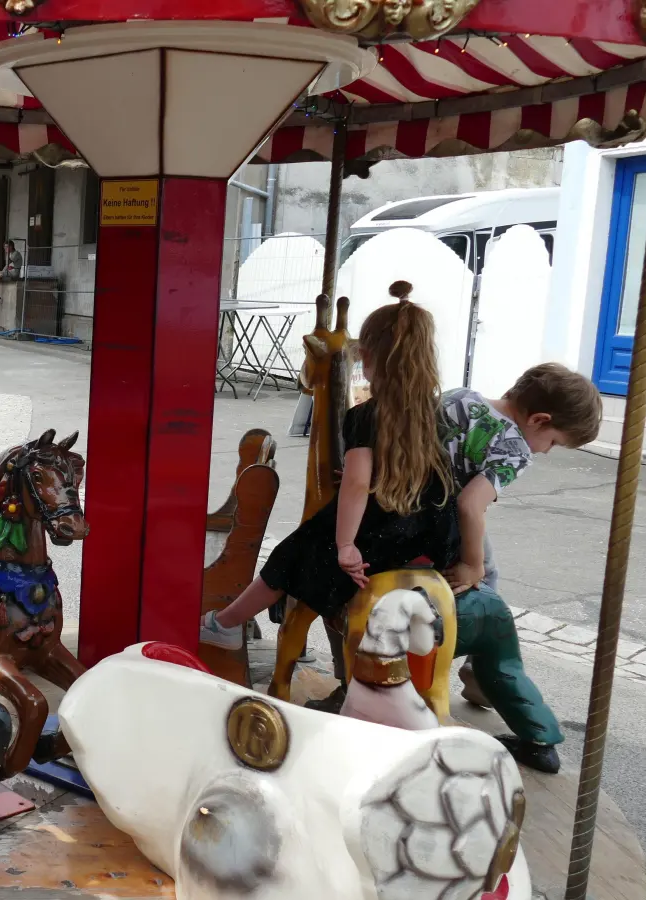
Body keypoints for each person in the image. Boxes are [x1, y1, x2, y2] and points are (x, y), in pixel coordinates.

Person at [201, 295, 458, 650]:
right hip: (430, 535)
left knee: (294, 550)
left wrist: (346, 545)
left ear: (368, 357)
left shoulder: (366, 416)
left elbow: (357, 483)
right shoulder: (437, 412)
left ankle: (224, 625)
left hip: (387, 537)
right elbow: (422, 473)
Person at [439, 361, 603, 773]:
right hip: (442, 522)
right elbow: (469, 505)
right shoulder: (514, 447)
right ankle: (480, 667)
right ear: (539, 420)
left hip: (409, 501)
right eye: (553, 442)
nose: (545, 451)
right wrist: (471, 565)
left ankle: (476, 670)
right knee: (487, 577)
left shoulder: (459, 398)